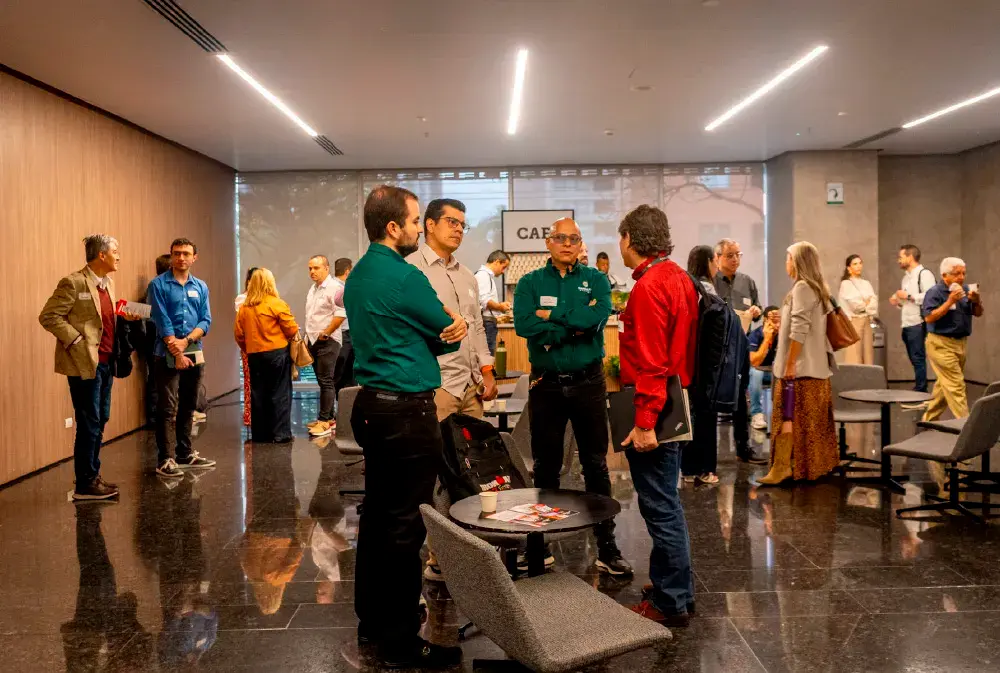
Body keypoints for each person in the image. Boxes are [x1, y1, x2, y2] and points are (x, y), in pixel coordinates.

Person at [345, 185, 467, 669]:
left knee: (377, 521)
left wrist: (438, 335)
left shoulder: (358, 275)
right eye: (416, 221)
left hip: (373, 406)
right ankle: (397, 639)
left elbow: (412, 334)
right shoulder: (404, 275)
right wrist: (445, 332)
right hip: (406, 412)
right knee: (404, 528)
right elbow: (444, 329)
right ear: (393, 228)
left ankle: (371, 622)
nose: (419, 229)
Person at [514, 217, 632, 576]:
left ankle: (607, 548)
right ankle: (539, 547)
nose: (567, 243)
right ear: (548, 243)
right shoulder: (531, 282)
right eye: (560, 238)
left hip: (588, 384)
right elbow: (523, 324)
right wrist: (571, 323)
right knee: (546, 468)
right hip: (546, 385)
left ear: (581, 244)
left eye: (574, 238)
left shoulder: (595, 279)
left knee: (595, 465)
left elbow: (596, 318)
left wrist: (551, 317)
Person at [615, 205, 698, 627]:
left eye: (620, 237)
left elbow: (651, 362)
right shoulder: (680, 278)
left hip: (656, 406)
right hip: (678, 400)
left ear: (630, 238)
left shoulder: (648, 288)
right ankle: (675, 581)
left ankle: (671, 601)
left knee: (660, 507)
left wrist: (645, 421)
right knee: (668, 500)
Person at [408, 198, 498, 583]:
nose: (459, 229)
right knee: (434, 474)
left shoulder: (466, 275)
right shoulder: (410, 271)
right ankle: (439, 556)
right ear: (428, 225)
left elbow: (475, 327)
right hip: (435, 386)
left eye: (463, 223)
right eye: (451, 222)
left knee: (471, 471)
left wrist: (487, 370)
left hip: (470, 385)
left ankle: (472, 547)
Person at [39, 234, 139, 501]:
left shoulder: (108, 284)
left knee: (100, 419)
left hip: (106, 364)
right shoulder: (73, 282)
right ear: (102, 255)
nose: (119, 256)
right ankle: (85, 483)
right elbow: (48, 316)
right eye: (115, 251)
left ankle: (92, 476)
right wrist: (76, 340)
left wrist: (123, 318)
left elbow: (100, 320)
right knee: (89, 422)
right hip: (84, 365)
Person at [759, 242, 839, 485]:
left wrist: (791, 363)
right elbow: (803, 325)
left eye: (788, 258)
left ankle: (783, 467)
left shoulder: (803, 288)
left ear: (798, 262)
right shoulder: (816, 287)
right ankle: (806, 467)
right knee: (809, 423)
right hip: (815, 370)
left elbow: (800, 330)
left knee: (789, 417)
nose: (786, 263)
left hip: (801, 370)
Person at [147, 238, 216, 478]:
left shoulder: (201, 286)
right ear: (171, 256)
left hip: (194, 350)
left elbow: (206, 320)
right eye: (177, 253)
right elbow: (161, 318)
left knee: (189, 405)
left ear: (194, 257)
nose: (181, 258)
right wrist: (176, 350)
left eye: (186, 253)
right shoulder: (158, 285)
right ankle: (166, 459)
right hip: (164, 352)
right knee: (167, 408)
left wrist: (186, 342)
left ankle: (185, 454)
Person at [234, 269, 300, 443]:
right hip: (277, 353)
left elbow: (239, 335)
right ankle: (281, 434)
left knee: (258, 393)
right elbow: (292, 329)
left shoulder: (245, 308)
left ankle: (260, 434)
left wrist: (249, 348)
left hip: (254, 354)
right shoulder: (276, 303)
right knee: (279, 392)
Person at [713, 238, 763, 463]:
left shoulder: (747, 281)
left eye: (738, 255)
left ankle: (744, 447)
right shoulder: (711, 282)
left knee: (741, 395)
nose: (735, 260)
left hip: (741, 346)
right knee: (711, 395)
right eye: (730, 255)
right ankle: (707, 454)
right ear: (718, 258)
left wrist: (756, 311)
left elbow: (759, 309)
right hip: (716, 348)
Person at [921, 257, 984, 423]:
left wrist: (976, 302)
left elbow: (977, 313)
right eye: (957, 274)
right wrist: (950, 301)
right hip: (940, 343)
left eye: (963, 273)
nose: (961, 277)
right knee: (956, 386)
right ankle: (967, 429)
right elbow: (929, 317)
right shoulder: (934, 292)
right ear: (944, 275)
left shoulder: (964, 290)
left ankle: (927, 421)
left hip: (961, 343)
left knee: (944, 386)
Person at [681, 245, 721, 484]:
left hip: (689, 360)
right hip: (706, 362)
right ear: (707, 262)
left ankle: (688, 469)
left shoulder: (687, 285)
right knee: (706, 416)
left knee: (690, 415)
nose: (716, 265)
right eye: (714, 260)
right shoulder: (706, 288)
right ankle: (707, 469)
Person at [304, 255, 347, 438]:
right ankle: (328, 418)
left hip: (328, 341)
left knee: (327, 380)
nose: (312, 271)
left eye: (316, 268)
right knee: (323, 381)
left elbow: (341, 313)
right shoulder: (313, 289)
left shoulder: (335, 288)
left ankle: (324, 422)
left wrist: (327, 332)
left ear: (327, 268)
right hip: (314, 341)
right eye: (310, 268)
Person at [890, 244, 937, 403]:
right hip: (907, 322)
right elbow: (906, 301)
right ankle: (920, 387)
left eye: (901, 257)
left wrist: (908, 296)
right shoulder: (906, 277)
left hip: (918, 321)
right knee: (913, 356)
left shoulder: (924, 274)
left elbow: (931, 297)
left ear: (910, 257)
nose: (899, 260)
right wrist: (897, 301)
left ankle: (921, 389)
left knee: (918, 357)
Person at [837, 254, 878, 365]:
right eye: (855, 264)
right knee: (854, 354)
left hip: (866, 321)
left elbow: (874, 304)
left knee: (868, 354)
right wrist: (866, 303)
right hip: (854, 322)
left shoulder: (866, 283)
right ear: (849, 268)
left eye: (860, 263)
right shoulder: (846, 284)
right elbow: (855, 306)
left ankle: (868, 380)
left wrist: (866, 305)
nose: (858, 266)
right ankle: (854, 381)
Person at [747, 306, 780, 430]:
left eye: (779, 320)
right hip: (758, 371)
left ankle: (783, 414)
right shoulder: (755, 335)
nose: (777, 325)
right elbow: (754, 361)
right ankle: (756, 414)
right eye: (773, 320)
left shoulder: (783, 334)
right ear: (766, 320)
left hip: (775, 372)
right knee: (755, 373)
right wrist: (767, 340)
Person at [475, 250, 511, 355]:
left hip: (488, 322)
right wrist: (500, 307)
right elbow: (484, 300)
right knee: (487, 355)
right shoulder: (483, 276)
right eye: (503, 267)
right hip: (486, 323)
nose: (503, 271)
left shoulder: (486, 276)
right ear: (496, 262)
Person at [235, 267, 258, 428]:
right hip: (249, 345)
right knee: (250, 381)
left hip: (267, 346)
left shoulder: (271, 299)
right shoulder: (242, 299)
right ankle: (250, 416)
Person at [331, 258, 356, 395]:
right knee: (340, 374)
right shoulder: (338, 288)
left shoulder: (342, 287)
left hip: (348, 334)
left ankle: (348, 411)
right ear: (348, 271)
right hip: (341, 335)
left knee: (349, 375)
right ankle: (338, 412)